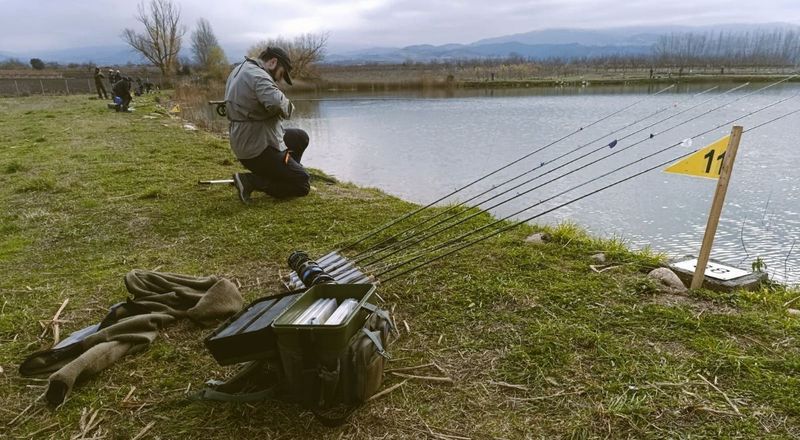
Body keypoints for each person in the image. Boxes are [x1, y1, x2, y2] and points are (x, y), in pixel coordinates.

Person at [224, 46, 310, 204]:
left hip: (248, 141)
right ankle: (251, 181)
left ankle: (284, 175)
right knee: (302, 184)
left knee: (300, 137)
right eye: (281, 73)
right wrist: (289, 105)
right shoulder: (259, 75)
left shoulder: (241, 69)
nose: (279, 79)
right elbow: (277, 103)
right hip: (258, 148)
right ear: (273, 62)